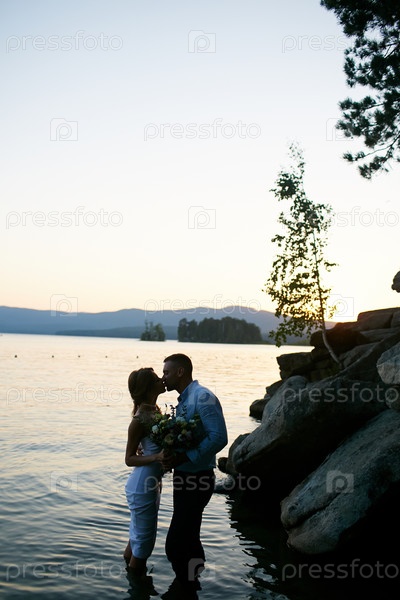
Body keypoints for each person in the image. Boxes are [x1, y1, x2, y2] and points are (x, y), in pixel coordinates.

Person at [161, 353, 228, 594]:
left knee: (175, 543)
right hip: (183, 477)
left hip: (198, 478)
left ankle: (186, 586)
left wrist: (185, 457)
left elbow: (219, 437)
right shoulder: (183, 400)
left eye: (166, 372)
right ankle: (192, 584)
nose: (163, 377)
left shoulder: (203, 397)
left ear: (180, 372)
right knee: (189, 536)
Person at [124, 367, 166, 577]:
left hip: (151, 483)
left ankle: (128, 574)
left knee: (138, 538)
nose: (162, 380)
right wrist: (156, 457)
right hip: (141, 485)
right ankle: (136, 587)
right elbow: (129, 459)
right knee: (144, 544)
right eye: (157, 379)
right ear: (149, 388)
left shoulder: (154, 410)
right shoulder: (139, 419)